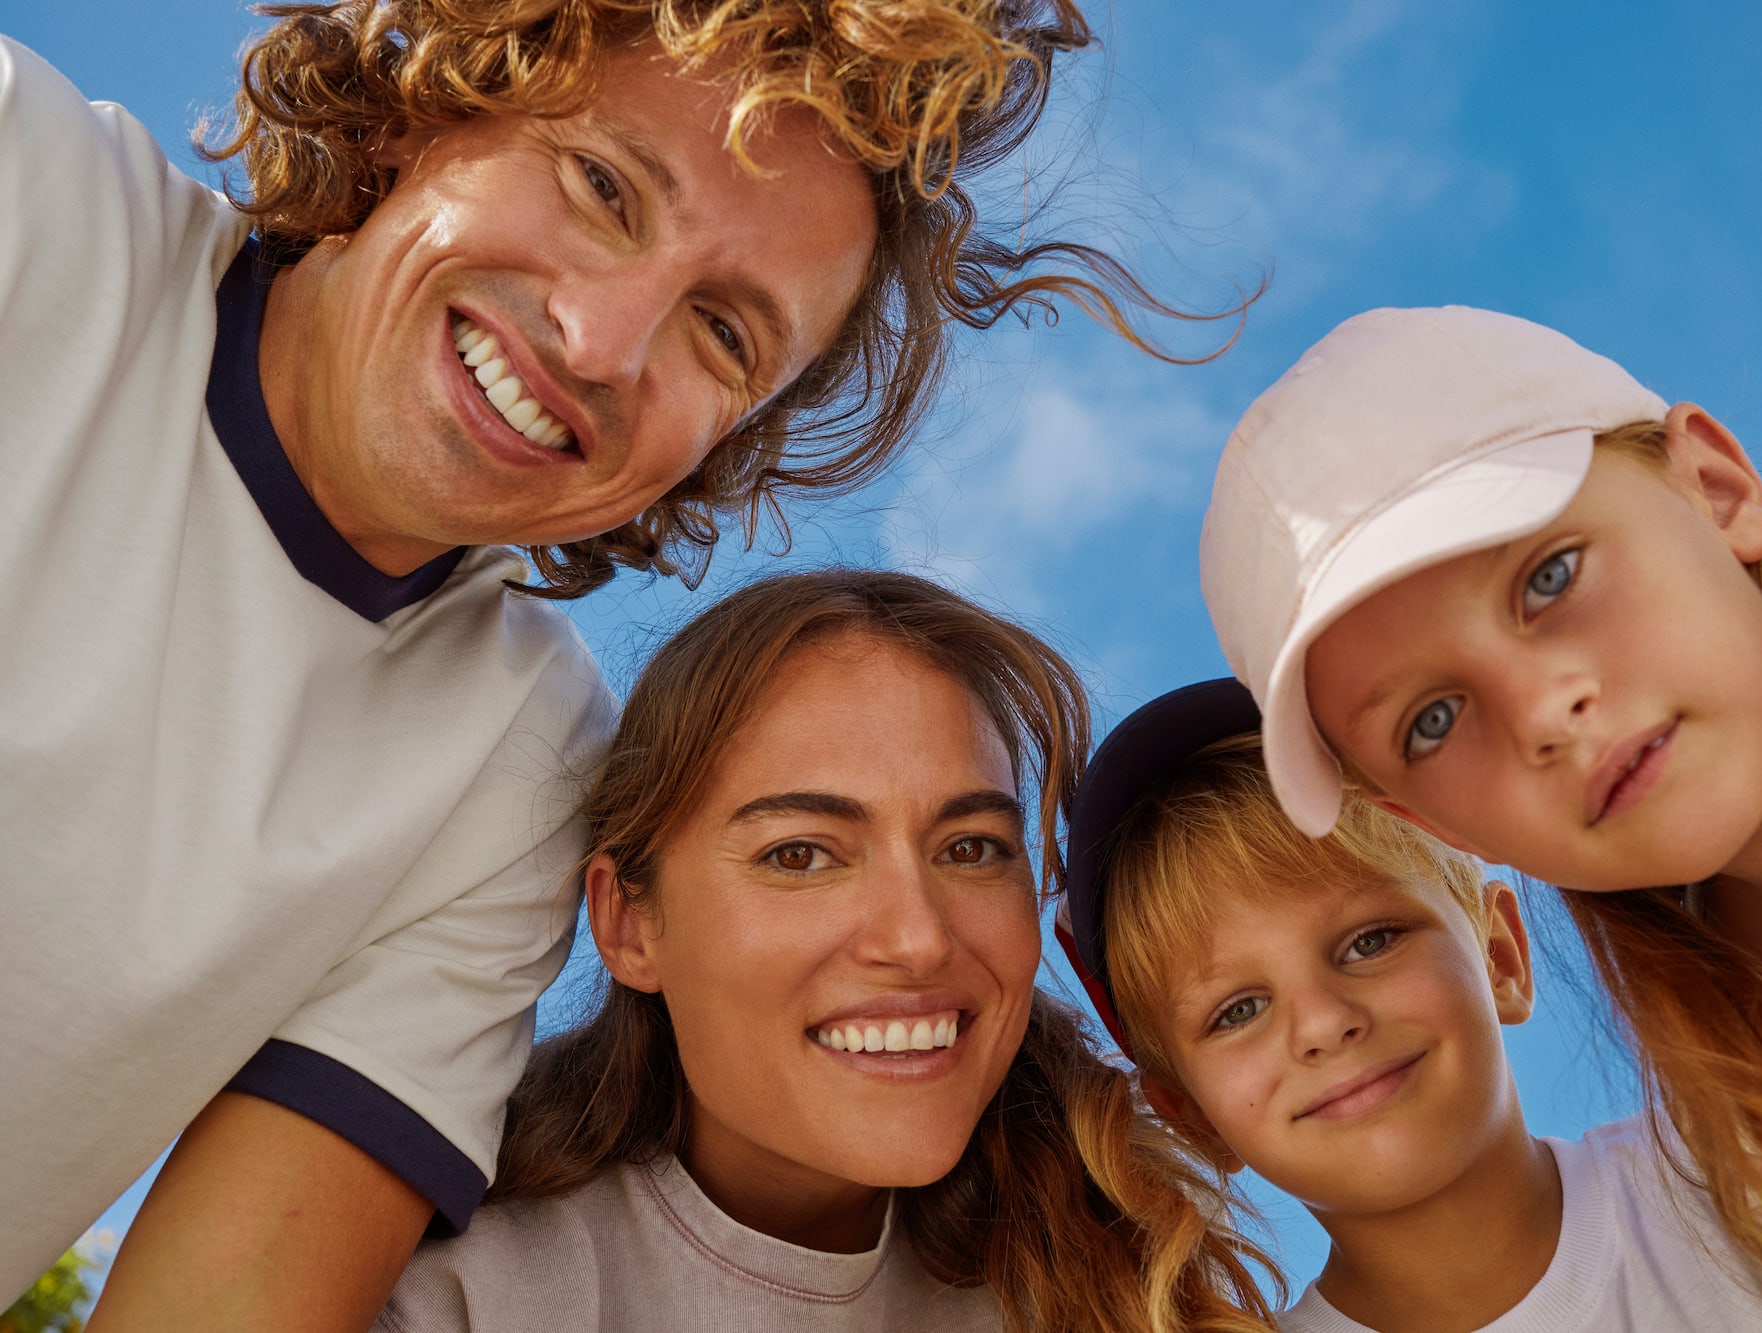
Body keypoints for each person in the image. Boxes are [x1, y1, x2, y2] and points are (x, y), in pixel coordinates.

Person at [0, 1, 1220, 1322]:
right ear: (437, 98)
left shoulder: (505, 773)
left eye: (724, 333)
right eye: (600, 186)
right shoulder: (30, 193)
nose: (601, 338)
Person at [1197, 305, 1762, 1326]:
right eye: (1433, 719)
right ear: (1433, 824)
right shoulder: (1755, 1163)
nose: (1540, 714)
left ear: (1715, 488)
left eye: (1549, 576)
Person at [374, 570, 1278, 1333]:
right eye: (799, 855)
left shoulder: (1123, 1278)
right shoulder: (443, 1295)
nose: (918, 938)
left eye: (970, 848)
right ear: (626, 925)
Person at [1058, 678, 1762, 1331]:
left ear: (1501, 955)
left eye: (1371, 940)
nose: (1327, 1022)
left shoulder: (1756, 1188)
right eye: (1237, 1010)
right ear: (1191, 1116)